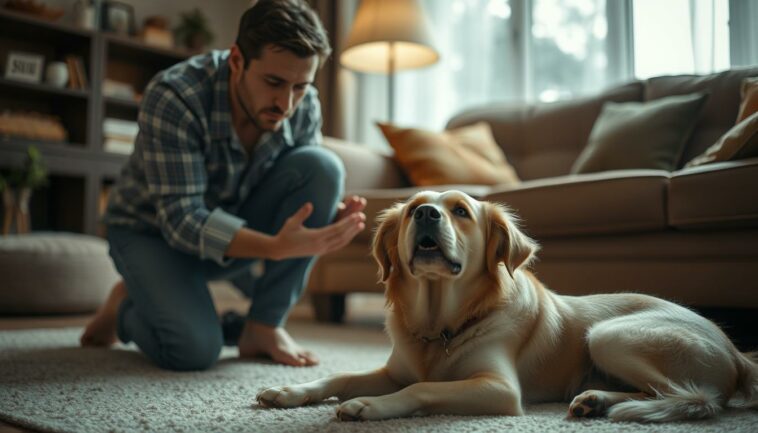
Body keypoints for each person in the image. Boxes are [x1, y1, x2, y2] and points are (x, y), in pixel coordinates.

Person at [80, 0, 367, 371]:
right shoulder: (175, 94)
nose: (286, 103)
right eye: (273, 82)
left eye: (300, 86)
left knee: (324, 168)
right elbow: (182, 219)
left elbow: (307, 181)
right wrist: (274, 248)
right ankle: (125, 306)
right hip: (149, 232)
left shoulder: (303, 102)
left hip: (228, 233)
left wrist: (328, 217)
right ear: (236, 61)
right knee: (193, 351)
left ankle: (262, 326)